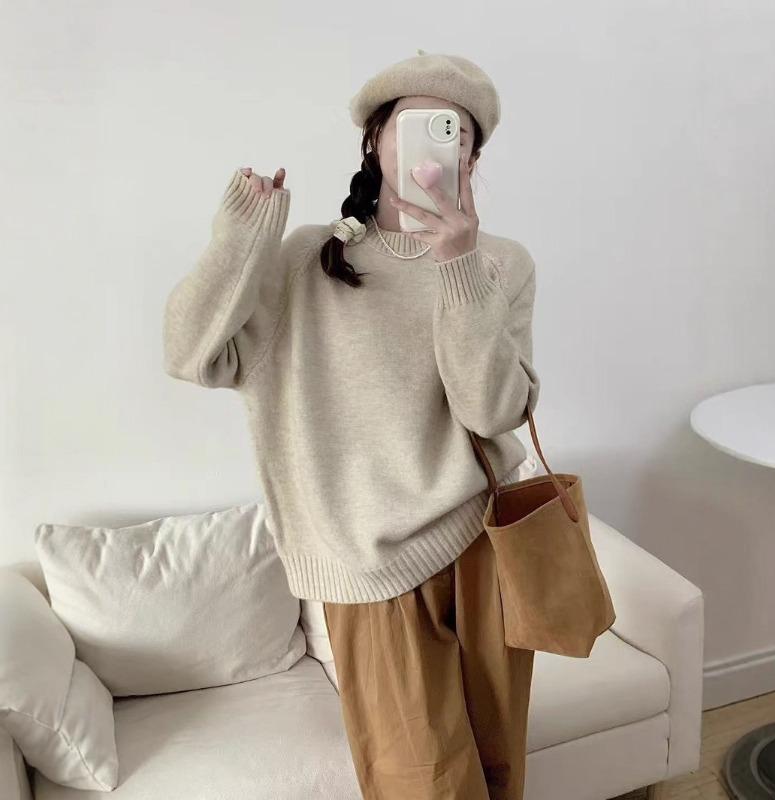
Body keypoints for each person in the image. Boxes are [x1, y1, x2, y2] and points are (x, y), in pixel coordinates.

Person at [162, 49, 542, 799]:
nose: (437, 146)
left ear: (472, 157)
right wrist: (244, 232)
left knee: (499, 767)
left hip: (485, 545)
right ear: (374, 139)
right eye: (416, 126)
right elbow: (190, 355)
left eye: (456, 132)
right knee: (423, 785)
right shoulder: (308, 259)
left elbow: (494, 411)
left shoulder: (501, 264)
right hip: (370, 571)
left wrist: (458, 264)